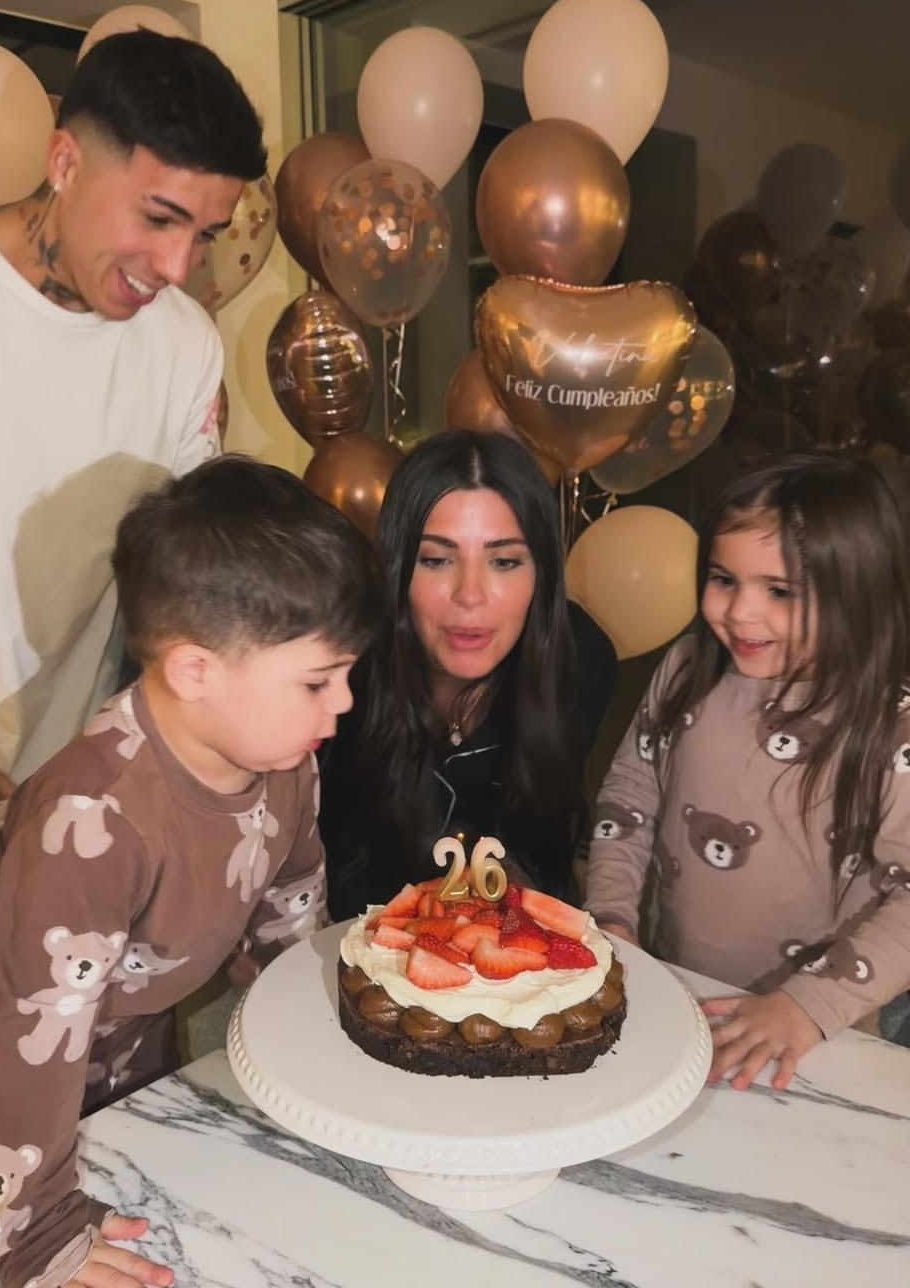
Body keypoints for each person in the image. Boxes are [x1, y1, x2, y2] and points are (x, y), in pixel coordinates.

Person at [0, 456, 379, 1288]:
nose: (342, 704)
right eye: (317, 680)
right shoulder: (95, 820)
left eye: (345, 675)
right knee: (51, 1235)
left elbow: (287, 917)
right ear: (195, 670)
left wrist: (314, 1060)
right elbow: (29, 1040)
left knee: (151, 1197)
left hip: (127, 1012)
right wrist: (41, 1240)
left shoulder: (285, 753)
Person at [0, 28, 267, 925]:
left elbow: (186, 568)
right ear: (65, 161)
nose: (179, 267)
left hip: (67, 789)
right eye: (158, 218)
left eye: (205, 233)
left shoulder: (182, 341)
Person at [586, 453, 910, 1091]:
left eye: (780, 591)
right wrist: (613, 921)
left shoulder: (890, 724)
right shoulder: (687, 669)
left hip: (818, 1041)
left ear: (858, 591)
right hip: (680, 999)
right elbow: (629, 797)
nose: (740, 613)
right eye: (724, 579)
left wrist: (807, 1009)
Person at [319, 429, 616, 921]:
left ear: (540, 573)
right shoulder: (340, 676)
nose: (470, 594)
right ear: (396, 570)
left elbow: (545, 856)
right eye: (436, 559)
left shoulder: (579, 661)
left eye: (503, 561)